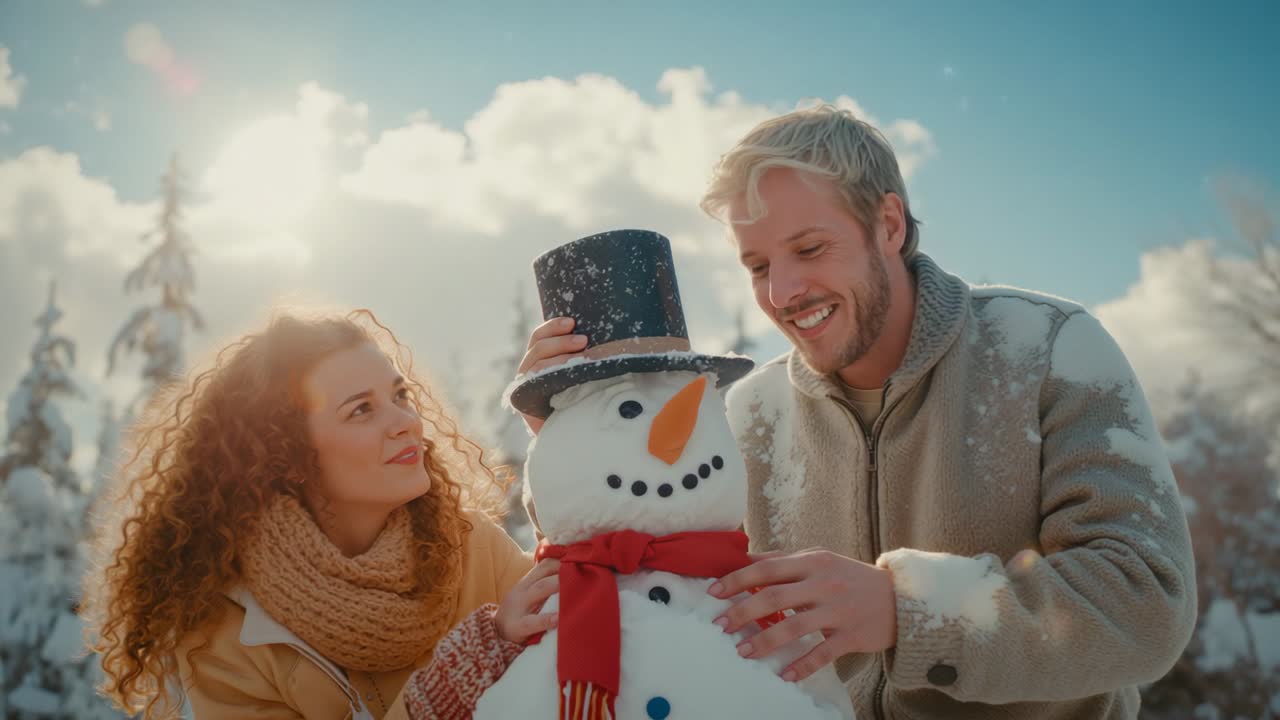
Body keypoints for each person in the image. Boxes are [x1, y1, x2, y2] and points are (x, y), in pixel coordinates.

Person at [515, 105, 1197, 719]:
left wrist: (908, 611)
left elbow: (1146, 603)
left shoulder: (1048, 349)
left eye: (809, 249)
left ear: (889, 225)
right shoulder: (746, 412)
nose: (782, 292)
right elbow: (644, 575)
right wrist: (576, 437)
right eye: (757, 266)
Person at [82, 309, 558, 720]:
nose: (406, 423)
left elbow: (609, 613)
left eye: (399, 396)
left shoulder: (472, 545)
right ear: (286, 456)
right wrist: (463, 671)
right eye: (361, 411)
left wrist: (567, 438)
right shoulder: (229, 638)